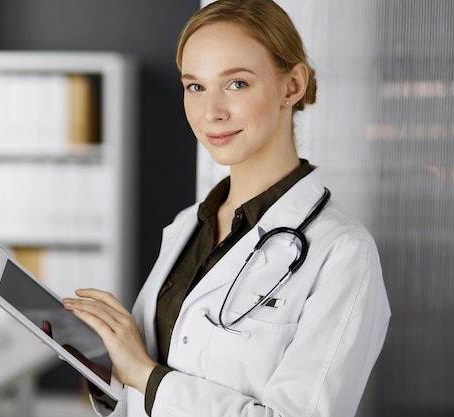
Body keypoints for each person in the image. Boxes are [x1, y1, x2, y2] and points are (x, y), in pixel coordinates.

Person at [62, 1, 391, 416]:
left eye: (236, 84)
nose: (211, 113)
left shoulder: (344, 255)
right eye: (195, 87)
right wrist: (108, 374)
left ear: (292, 86)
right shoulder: (188, 226)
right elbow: (148, 386)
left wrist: (145, 376)